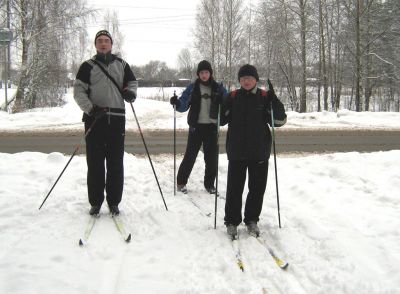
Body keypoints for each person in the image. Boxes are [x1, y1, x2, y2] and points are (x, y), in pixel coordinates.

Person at [73, 30, 138, 216]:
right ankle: (95, 202)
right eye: (100, 41)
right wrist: (91, 109)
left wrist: (130, 94)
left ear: (111, 44)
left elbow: (132, 83)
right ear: (95, 44)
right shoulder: (87, 66)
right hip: (95, 119)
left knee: (116, 162)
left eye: (106, 41)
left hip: (117, 119)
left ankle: (114, 202)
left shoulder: (122, 64)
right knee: (95, 163)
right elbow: (79, 92)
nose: (103, 43)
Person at [220, 64, 287, 239]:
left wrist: (275, 101)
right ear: (239, 81)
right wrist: (217, 104)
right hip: (236, 151)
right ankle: (232, 221)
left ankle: (251, 220)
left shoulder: (265, 97)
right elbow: (220, 120)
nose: (246, 81)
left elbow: (279, 122)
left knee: (257, 189)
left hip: (259, 152)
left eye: (249, 78)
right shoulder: (233, 97)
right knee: (234, 189)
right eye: (242, 78)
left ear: (256, 79)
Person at [170, 60, 227, 194]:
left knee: (212, 158)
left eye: (206, 72)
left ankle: (209, 184)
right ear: (198, 74)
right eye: (201, 72)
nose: (204, 75)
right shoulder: (192, 88)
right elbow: (183, 105)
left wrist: (222, 102)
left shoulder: (218, 88)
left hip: (212, 127)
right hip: (196, 127)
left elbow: (228, 102)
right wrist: (176, 103)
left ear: (210, 73)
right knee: (190, 156)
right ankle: (181, 182)